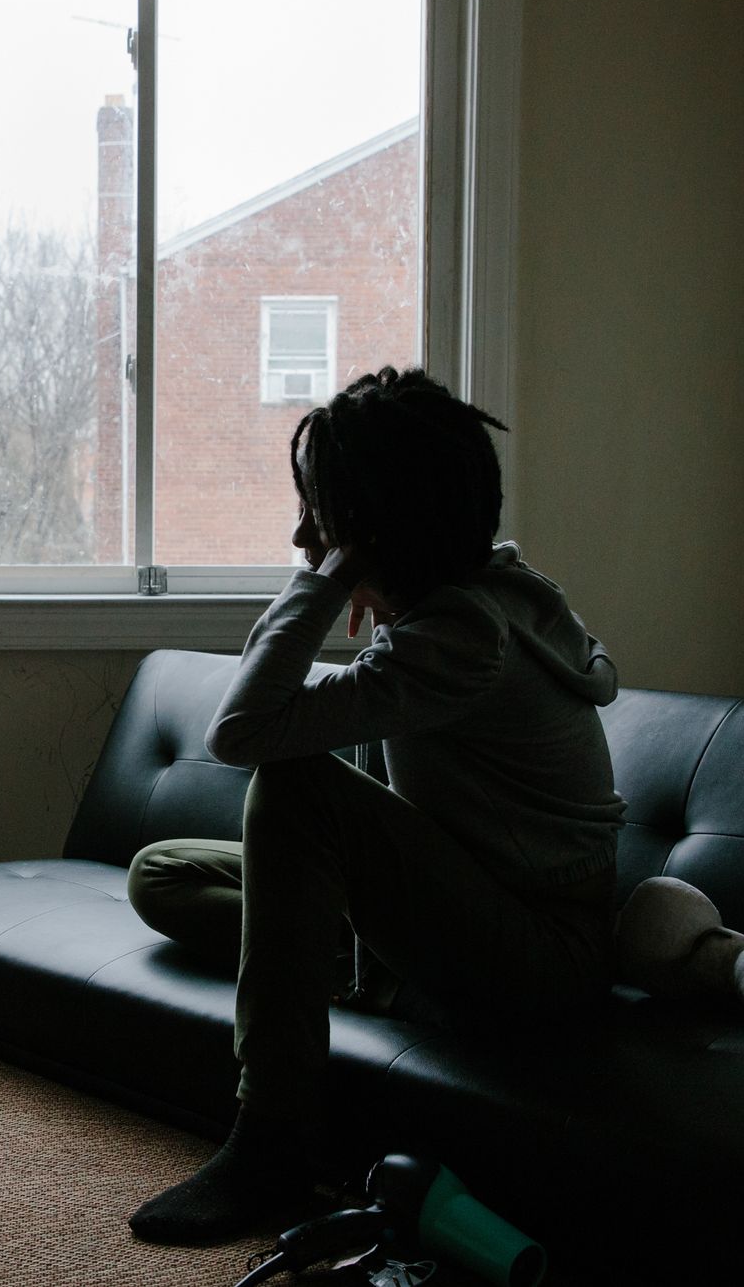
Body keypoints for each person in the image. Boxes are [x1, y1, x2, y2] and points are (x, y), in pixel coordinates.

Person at [126, 366, 626, 1245]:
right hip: (460, 908)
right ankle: (366, 980)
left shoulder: (465, 637)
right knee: (160, 874)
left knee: (295, 785)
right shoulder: (432, 619)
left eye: (320, 518)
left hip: (538, 955)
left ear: (375, 528)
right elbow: (266, 723)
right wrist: (351, 572)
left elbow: (242, 732)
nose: (301, 534)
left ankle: (274, 1135)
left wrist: (324, 581)